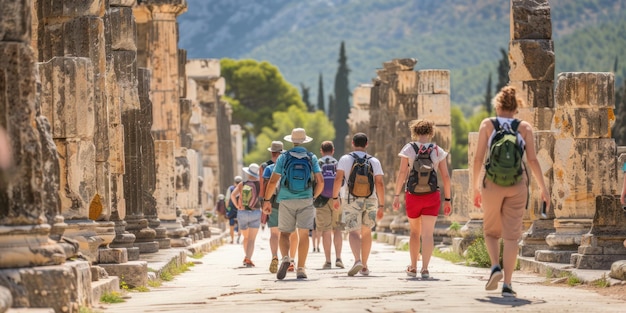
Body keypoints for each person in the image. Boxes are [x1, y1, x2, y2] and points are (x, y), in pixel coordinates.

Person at [472, 85, 550, 297]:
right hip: (517, 184)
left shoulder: (488, 124)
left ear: (497, 105)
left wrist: (475, 187)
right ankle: (507, 284)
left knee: (490, 231)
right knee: (512, 236)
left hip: (492, 184)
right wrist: (544, 189)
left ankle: (495, 267)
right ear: (516, 107)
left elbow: (479, 158)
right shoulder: (524, 127)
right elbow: (532, 160)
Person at [392, 119, 451, 280]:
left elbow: (402, 174)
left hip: (413, 196)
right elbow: (445, 176)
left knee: (414, 233)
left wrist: (396, 195)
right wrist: (448, 199)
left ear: (415, 132)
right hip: (432, 195)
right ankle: (425, 269)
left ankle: (413, 267)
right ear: (431, 132)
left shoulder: (409, 149)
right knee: (427, 234)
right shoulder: (438, 150)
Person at [262, 128, 323, 280]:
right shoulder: (311, 157)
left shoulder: (284, 157)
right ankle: (301, 268)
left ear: (292, 141)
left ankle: (285, 258)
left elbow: (273, 181)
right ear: (305, 140)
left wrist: (267, 200)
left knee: (284, 233)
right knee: (303, 235)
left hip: (286, 199)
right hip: (306, 199)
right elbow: (320, 181)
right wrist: (313, 196)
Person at [332, 133, 384, 276]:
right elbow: (379, 183)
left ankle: (357, 260)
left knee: (353, 231)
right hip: (371, 199)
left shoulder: (345, 159)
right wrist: (382, 205)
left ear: (353, 143)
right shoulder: (374, 161)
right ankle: (365, 266)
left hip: (351, 199)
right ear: (367, 144)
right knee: (366, 231)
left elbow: (338, 180)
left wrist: (335, 197)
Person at [261, 140, 298, 274]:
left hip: (274, 202)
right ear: (282, 152)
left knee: (275, 233)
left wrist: (265, 202)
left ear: (272, 153)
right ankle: (292, 260)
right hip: (290, 201)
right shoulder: (289, 165)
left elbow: (266, 186)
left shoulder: (269, 168)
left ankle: (275, 256)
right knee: (292, 233)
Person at [315, 141, 344, 269]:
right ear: (333, 150)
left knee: (325, 230)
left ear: (321, 151)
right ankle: (338, 258)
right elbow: (342, 181)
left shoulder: (318, 163)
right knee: (337, 229)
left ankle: (327, 261)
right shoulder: (338, 163)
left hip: (321, 199)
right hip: (337, 198)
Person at [230, 164, 263, 267]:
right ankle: (248, 258)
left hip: (242, 212)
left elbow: (232, 195)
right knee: (252, 239)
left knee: (246, 238)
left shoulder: (242, 184)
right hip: (255, 212)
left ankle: (246, 256)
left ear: (248, 173)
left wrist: (237, 206)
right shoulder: (260, 184)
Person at [225, 176, 243, 244]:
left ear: (234, 182)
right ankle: (239, 238)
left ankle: (232, 240)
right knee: (240, 224)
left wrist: (227, 208)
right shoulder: (243, 187)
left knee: (231, 225)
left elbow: (227, 199)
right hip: (240, 208)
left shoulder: (230, 188)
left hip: (232, 209)